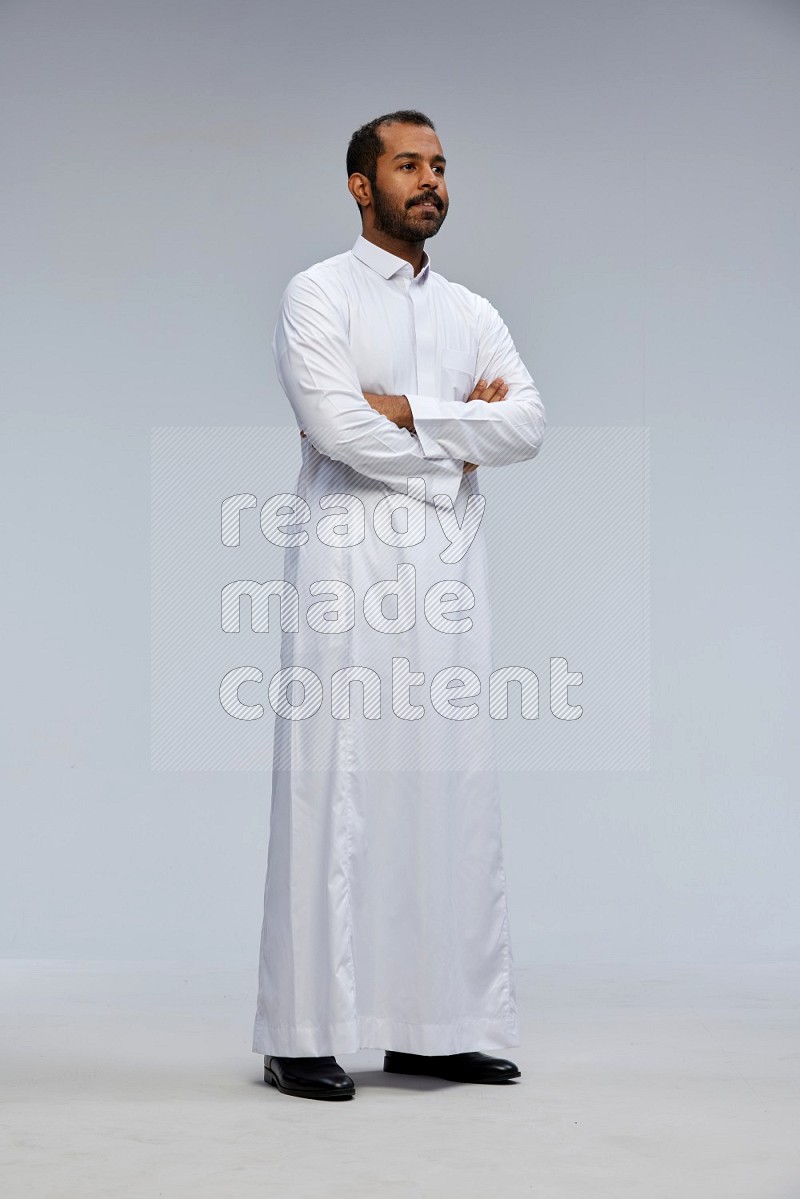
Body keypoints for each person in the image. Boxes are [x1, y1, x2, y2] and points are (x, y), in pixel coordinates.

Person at [252, 109, 546, 1100]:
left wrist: (416, 409)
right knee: (332, 787)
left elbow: (529, 423)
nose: (428, 180)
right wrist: (458, 444)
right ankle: (301, 1031)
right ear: (358, 184)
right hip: (348, 564)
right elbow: (336, 427)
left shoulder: (469, 309)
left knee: (444, 788)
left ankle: (435, 1026)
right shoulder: (317, 294)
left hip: (450, 576)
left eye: (438, 165)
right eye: (406, 164)